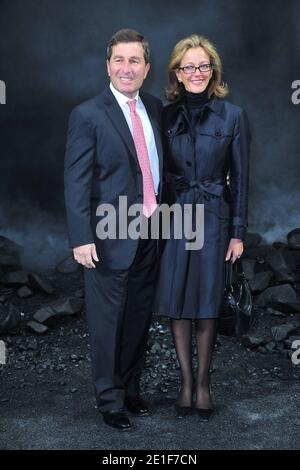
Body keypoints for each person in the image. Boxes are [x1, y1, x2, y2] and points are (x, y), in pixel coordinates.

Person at [64, 29, 163, 431]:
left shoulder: (154, 108)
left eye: (134, 60)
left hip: (153, 232)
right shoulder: (88, 114)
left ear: (146, 68)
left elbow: (159, 168)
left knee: (139, 318)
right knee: (108, 322)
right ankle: (109, 401)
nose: (126, 68)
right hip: (107, 237)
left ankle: (131, 388)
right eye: (119, 60)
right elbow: (76, 180)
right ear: (108, 65)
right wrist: (81, 236)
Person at [154, 34, 250, 419]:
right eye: (188, 66)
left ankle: (205, 383)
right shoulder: (163, 116)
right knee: (179, 300)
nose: (196, 73)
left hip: (214, 216)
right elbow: (156, 173)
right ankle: (185, 383)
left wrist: (238, 232)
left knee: (207, 302)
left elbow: (241, 178)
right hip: (176, 216)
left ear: (213, 71)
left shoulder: (233, 116)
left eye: (203, 66)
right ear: (177, 73)